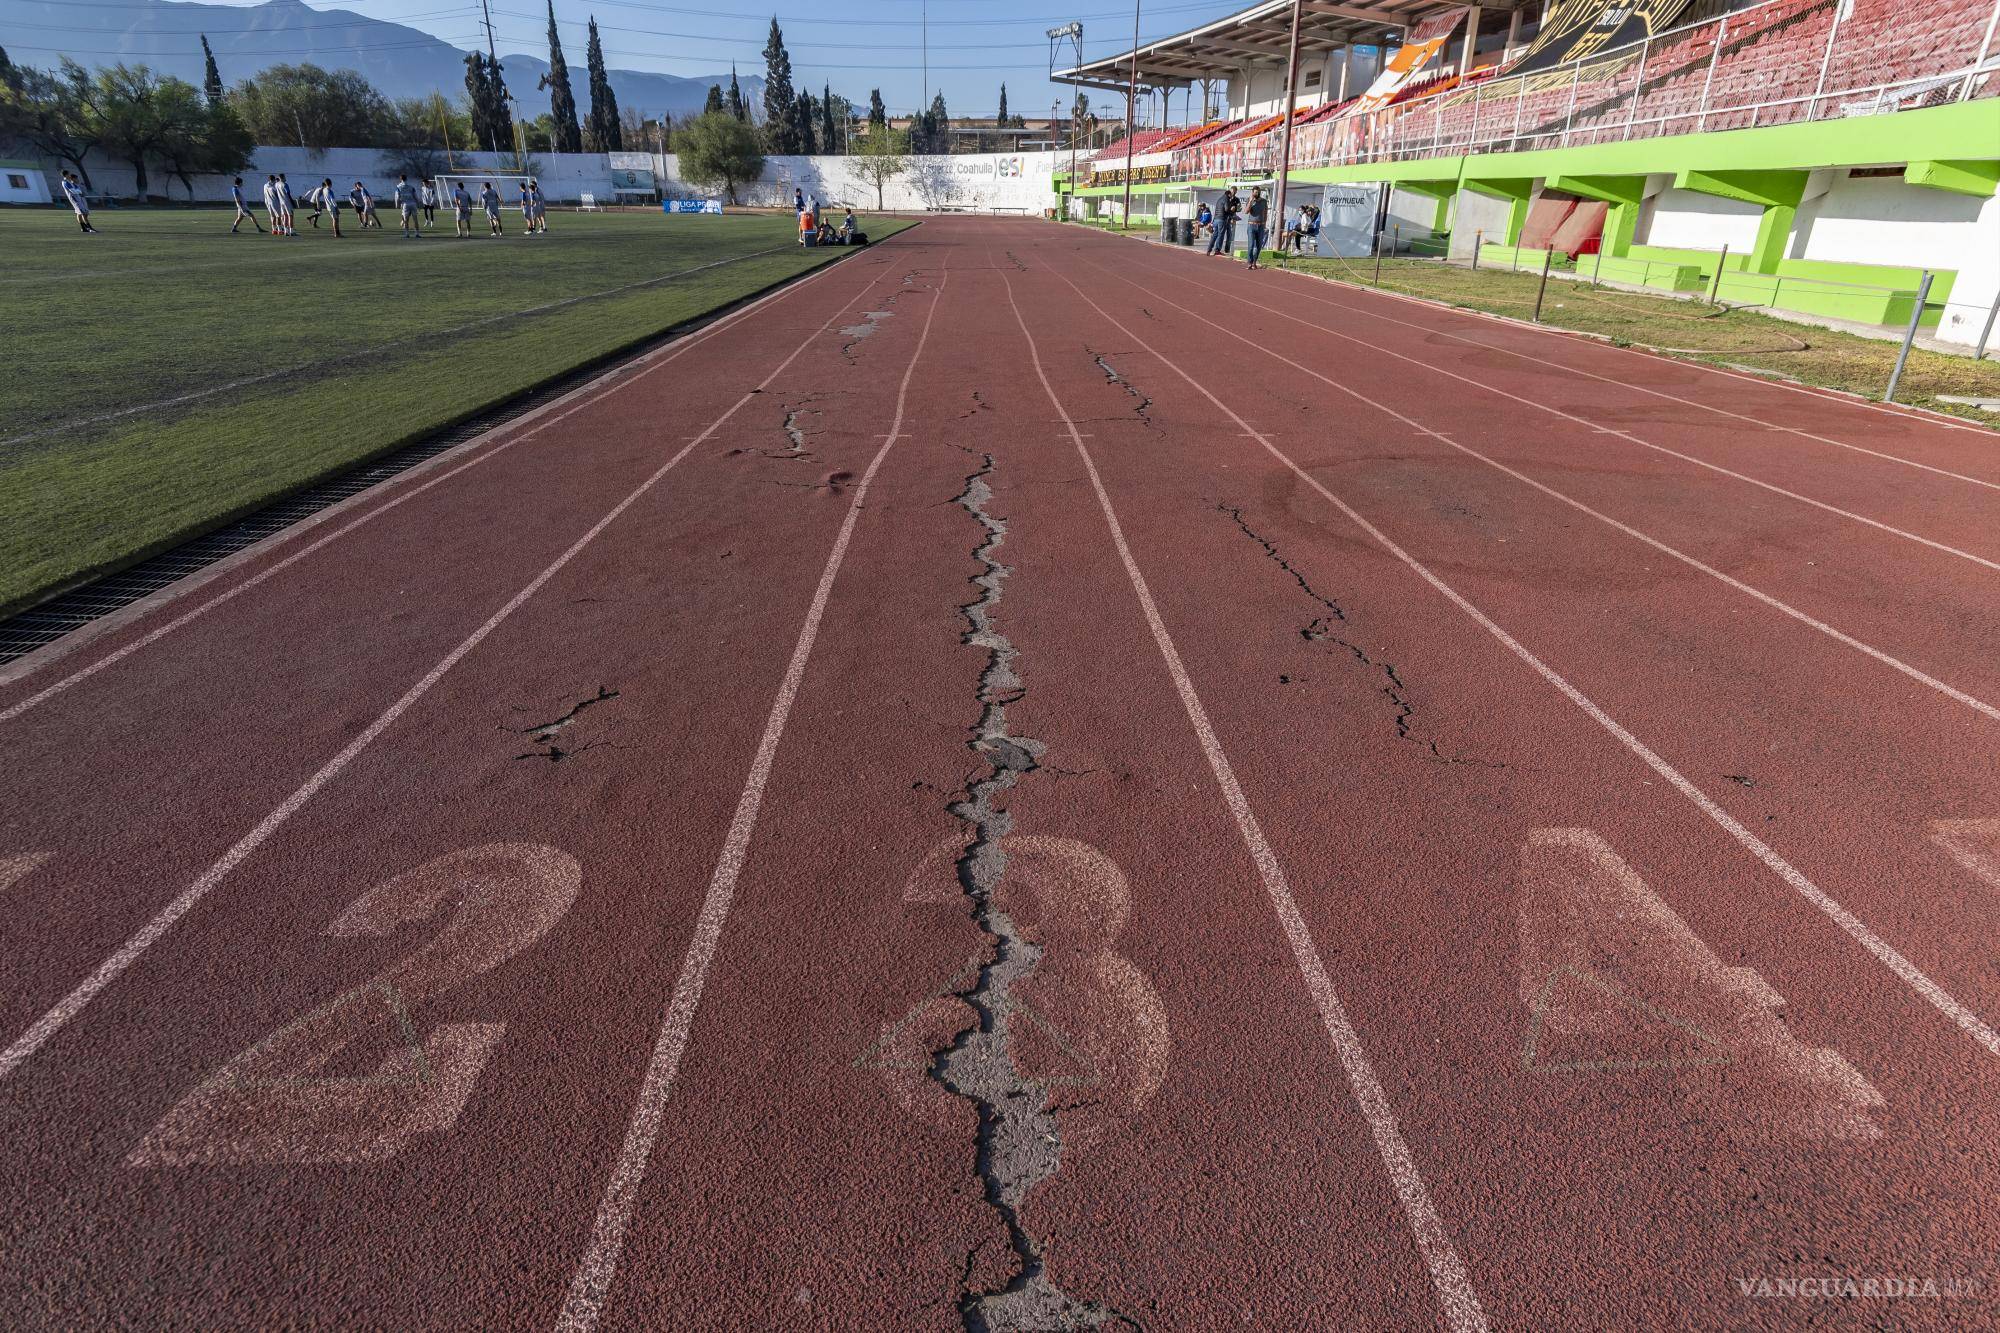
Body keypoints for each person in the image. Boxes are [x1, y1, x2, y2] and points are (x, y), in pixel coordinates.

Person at [1206, 188, 1238, 257]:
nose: (1231, 196)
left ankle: (1209, 249)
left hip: (1216, 219)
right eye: (1231, 195)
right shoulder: (1226, 199)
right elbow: (1226, 209)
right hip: (1222, 219)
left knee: (1214, 235)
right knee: (1221, 235)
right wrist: (1231, 210)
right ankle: (1217, 250)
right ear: (1229, 194)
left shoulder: (1220, 199)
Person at [1244, 186, 1269, 269]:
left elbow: (1265, 213)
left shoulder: (1264, 201)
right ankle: (1249, 262)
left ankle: (1254, 262)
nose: (1256, 194)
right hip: (1251, 225)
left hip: (1261, 225)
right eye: (1255, 192)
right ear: (1252, 192)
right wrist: (1251, 201)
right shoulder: (1250, 200)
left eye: (1258, 192)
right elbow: (1246, 211)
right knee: (1251, 245)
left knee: (1259, 245)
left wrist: (1265, 224)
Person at [394, 173, 421, 238]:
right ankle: (417, 234)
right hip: (413, 204)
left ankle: (407, 234)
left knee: (406, 220)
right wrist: (418, 204)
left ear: (400, 179)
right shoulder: (411, 186)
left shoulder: (398, 187)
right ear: (406, 179)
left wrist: (397, 204)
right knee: (415, 219)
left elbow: (397, 197)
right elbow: (416, 197)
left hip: (405, 204)